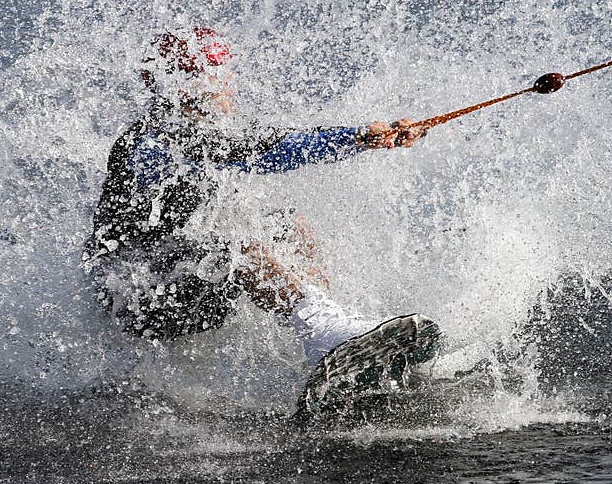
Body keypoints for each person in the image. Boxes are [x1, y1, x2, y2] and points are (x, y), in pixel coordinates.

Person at [83, 26, 428, 366]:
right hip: (137, 300)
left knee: (291, 226)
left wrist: (365, 139)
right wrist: (356, 137)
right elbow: (264, 151)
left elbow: (255, 145)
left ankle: (337, 339)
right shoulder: (151, 142)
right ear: (187, 87)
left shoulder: (200, 131)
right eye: (218, 74)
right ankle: (323, 335)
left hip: (179, 279)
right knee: (237, 248)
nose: (229, 85)